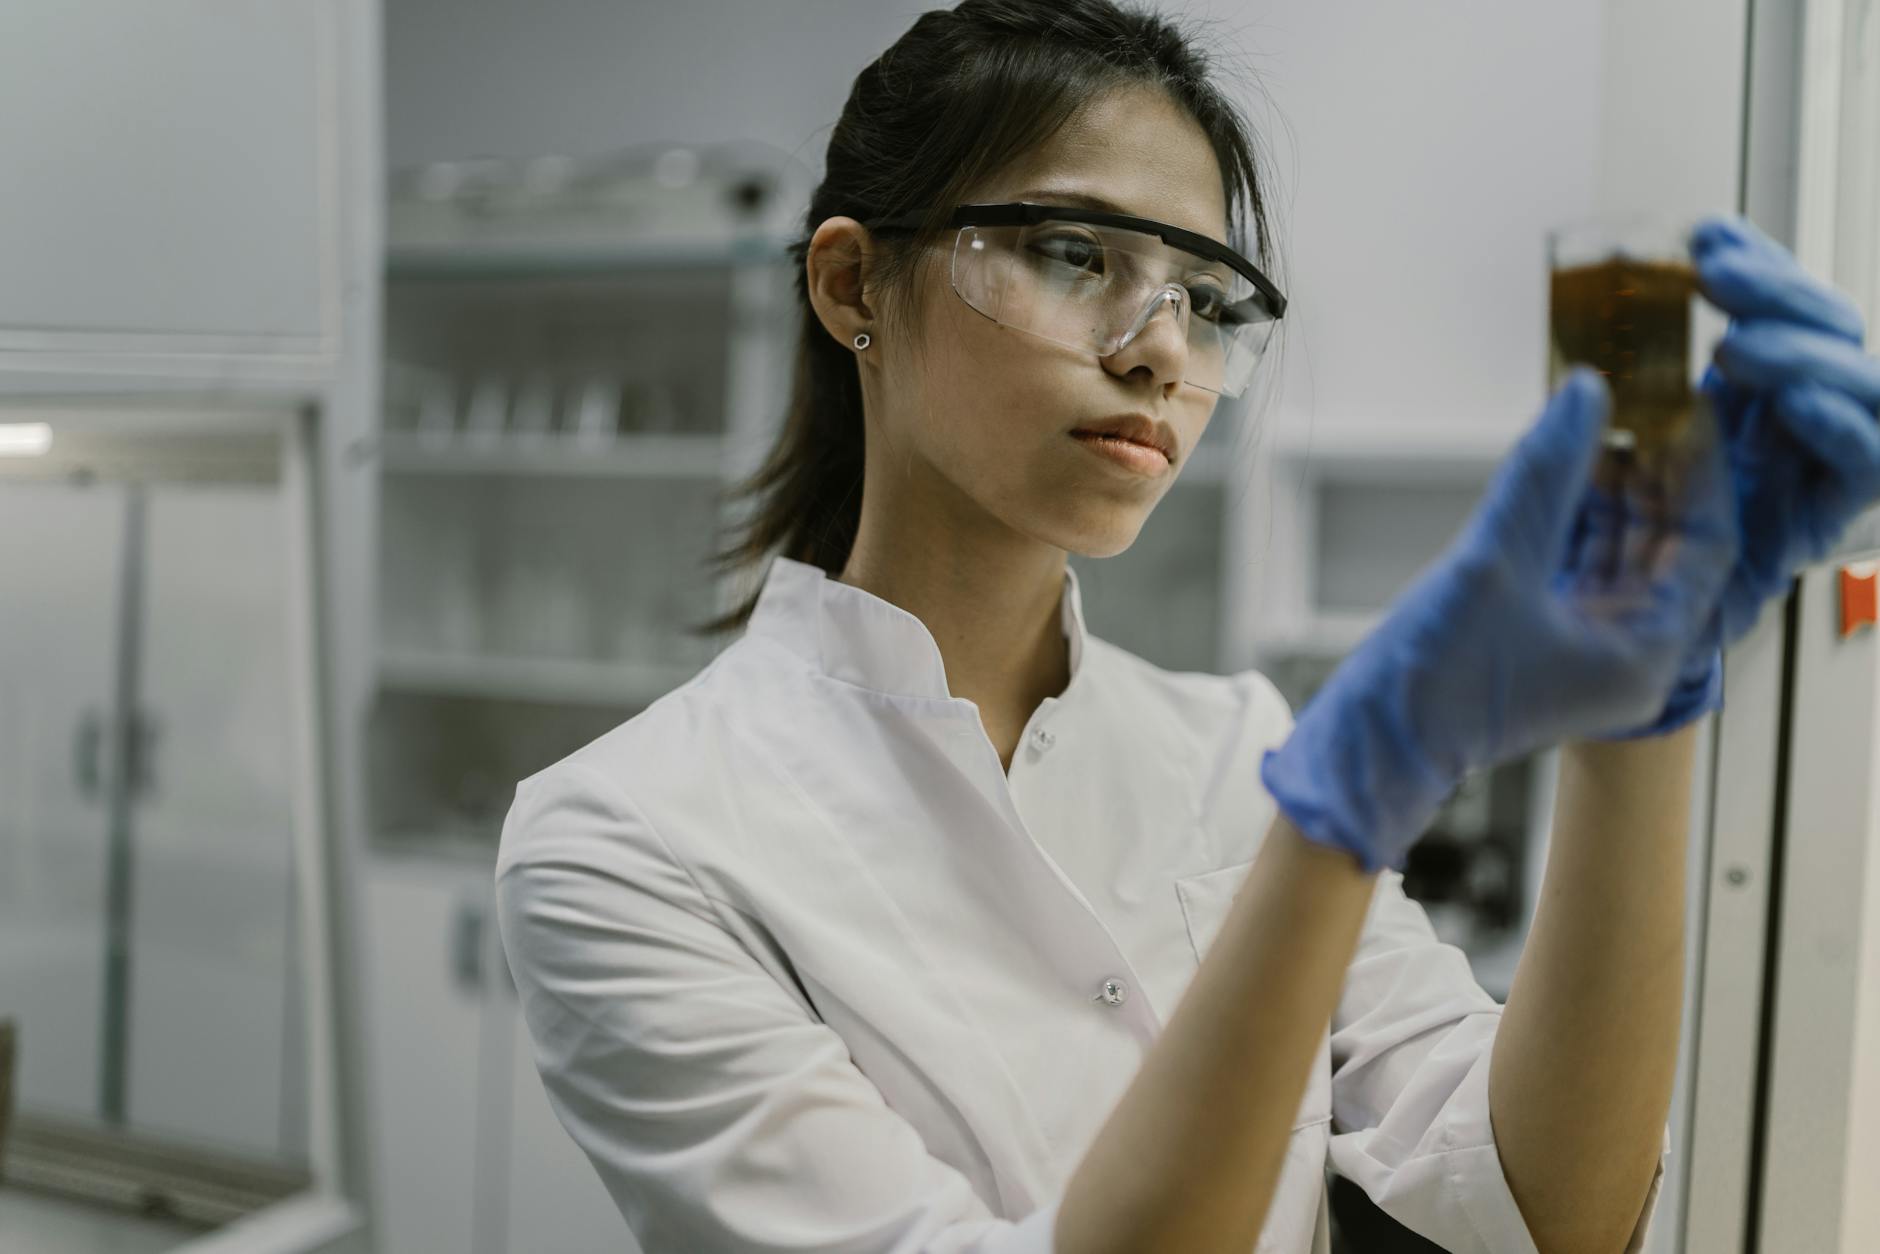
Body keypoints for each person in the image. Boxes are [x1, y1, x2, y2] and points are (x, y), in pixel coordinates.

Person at [493, 2, 1880, 1251]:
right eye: (1069, 252)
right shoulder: (626, 839)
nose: (1160, 346)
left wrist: (1637, 704)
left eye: (1208, 300)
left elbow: (1548, 1207)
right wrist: (1350, 801)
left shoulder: (1233, 749)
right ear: (855, 284)